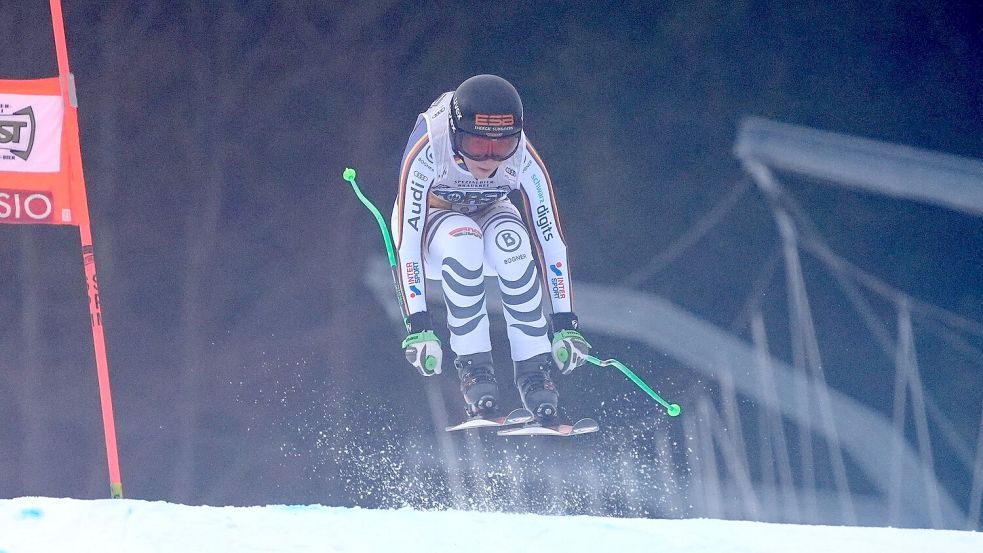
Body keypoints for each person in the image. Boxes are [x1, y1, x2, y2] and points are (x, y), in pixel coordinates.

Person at [391, 74, 591, 422]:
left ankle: (534, 373)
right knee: (464, 241)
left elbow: (549, 239)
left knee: (512, 246)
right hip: (435, 223)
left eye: (501, 148)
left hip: (491, 211)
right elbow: (406, 244)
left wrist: (565, 324)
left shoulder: (523, 155)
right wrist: (419, 326)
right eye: (476, 146)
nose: (488, 159)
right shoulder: (428, 145)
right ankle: (475, 371)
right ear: (454, 135)